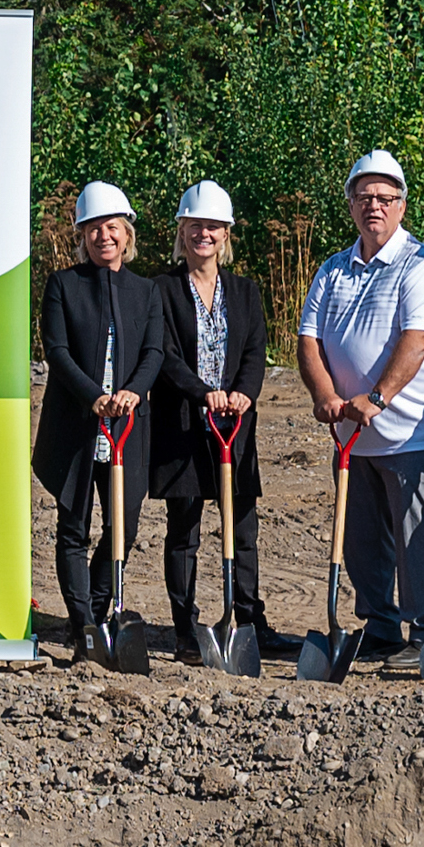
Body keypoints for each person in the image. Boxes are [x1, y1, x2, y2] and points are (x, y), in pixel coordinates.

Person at [297, 150, 424, 671]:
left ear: (402, 204)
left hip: (413, 428)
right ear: (350, 204)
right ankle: (380, 624)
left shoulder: (421, 264)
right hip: (351, 431)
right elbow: (309, 340)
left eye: (386, 198)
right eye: (365, 197)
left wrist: (377, 397)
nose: (375, 207)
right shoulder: (333, 268)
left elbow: (416, 341)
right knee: (362, 534)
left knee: (415, 533)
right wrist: (326, 395)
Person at [149, 180, 301, 662]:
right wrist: (203, 393)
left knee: (243, 526)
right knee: (185, 528)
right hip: (182, 424)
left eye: (212, 226)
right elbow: (166, 356)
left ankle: (250, 620)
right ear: (182, 230)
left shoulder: (244, 291)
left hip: (234, 426)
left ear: (226, 233)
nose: (203, 234)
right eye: (195, 225)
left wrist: (243, 394)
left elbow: (255, 350)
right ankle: (185, 626)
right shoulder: (163, 289)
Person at [32, 181, 167, 657]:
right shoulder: (64, 286)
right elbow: (58, 351)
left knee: (123, 525)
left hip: (128, 425)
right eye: (93, 229)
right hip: (77, 425)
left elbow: (155, 351)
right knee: (73, 526)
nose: (103, 236)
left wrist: (132, 392)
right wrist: (94, 396)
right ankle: (83, 623)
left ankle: (99, 604)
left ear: (127, 234)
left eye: (112, 227)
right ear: (82, 236)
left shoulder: (146, 291)